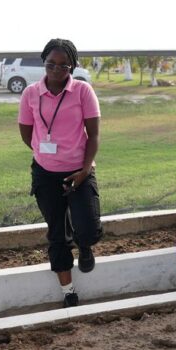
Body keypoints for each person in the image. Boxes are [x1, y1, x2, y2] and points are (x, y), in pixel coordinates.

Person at [18, 39, 103, 308]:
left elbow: (94, 135)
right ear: (44, 63)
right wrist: (46, 154)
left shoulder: (82, 91)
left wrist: (85, 168)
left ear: (73, 66)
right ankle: (68, 291)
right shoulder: (31, 93)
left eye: (63, 65)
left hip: (80, 169)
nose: (56, 69)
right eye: (51, 64)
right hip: (45, 174)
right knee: (57, 233)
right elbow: (26, 132)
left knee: (88, 227)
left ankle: (86, 245)